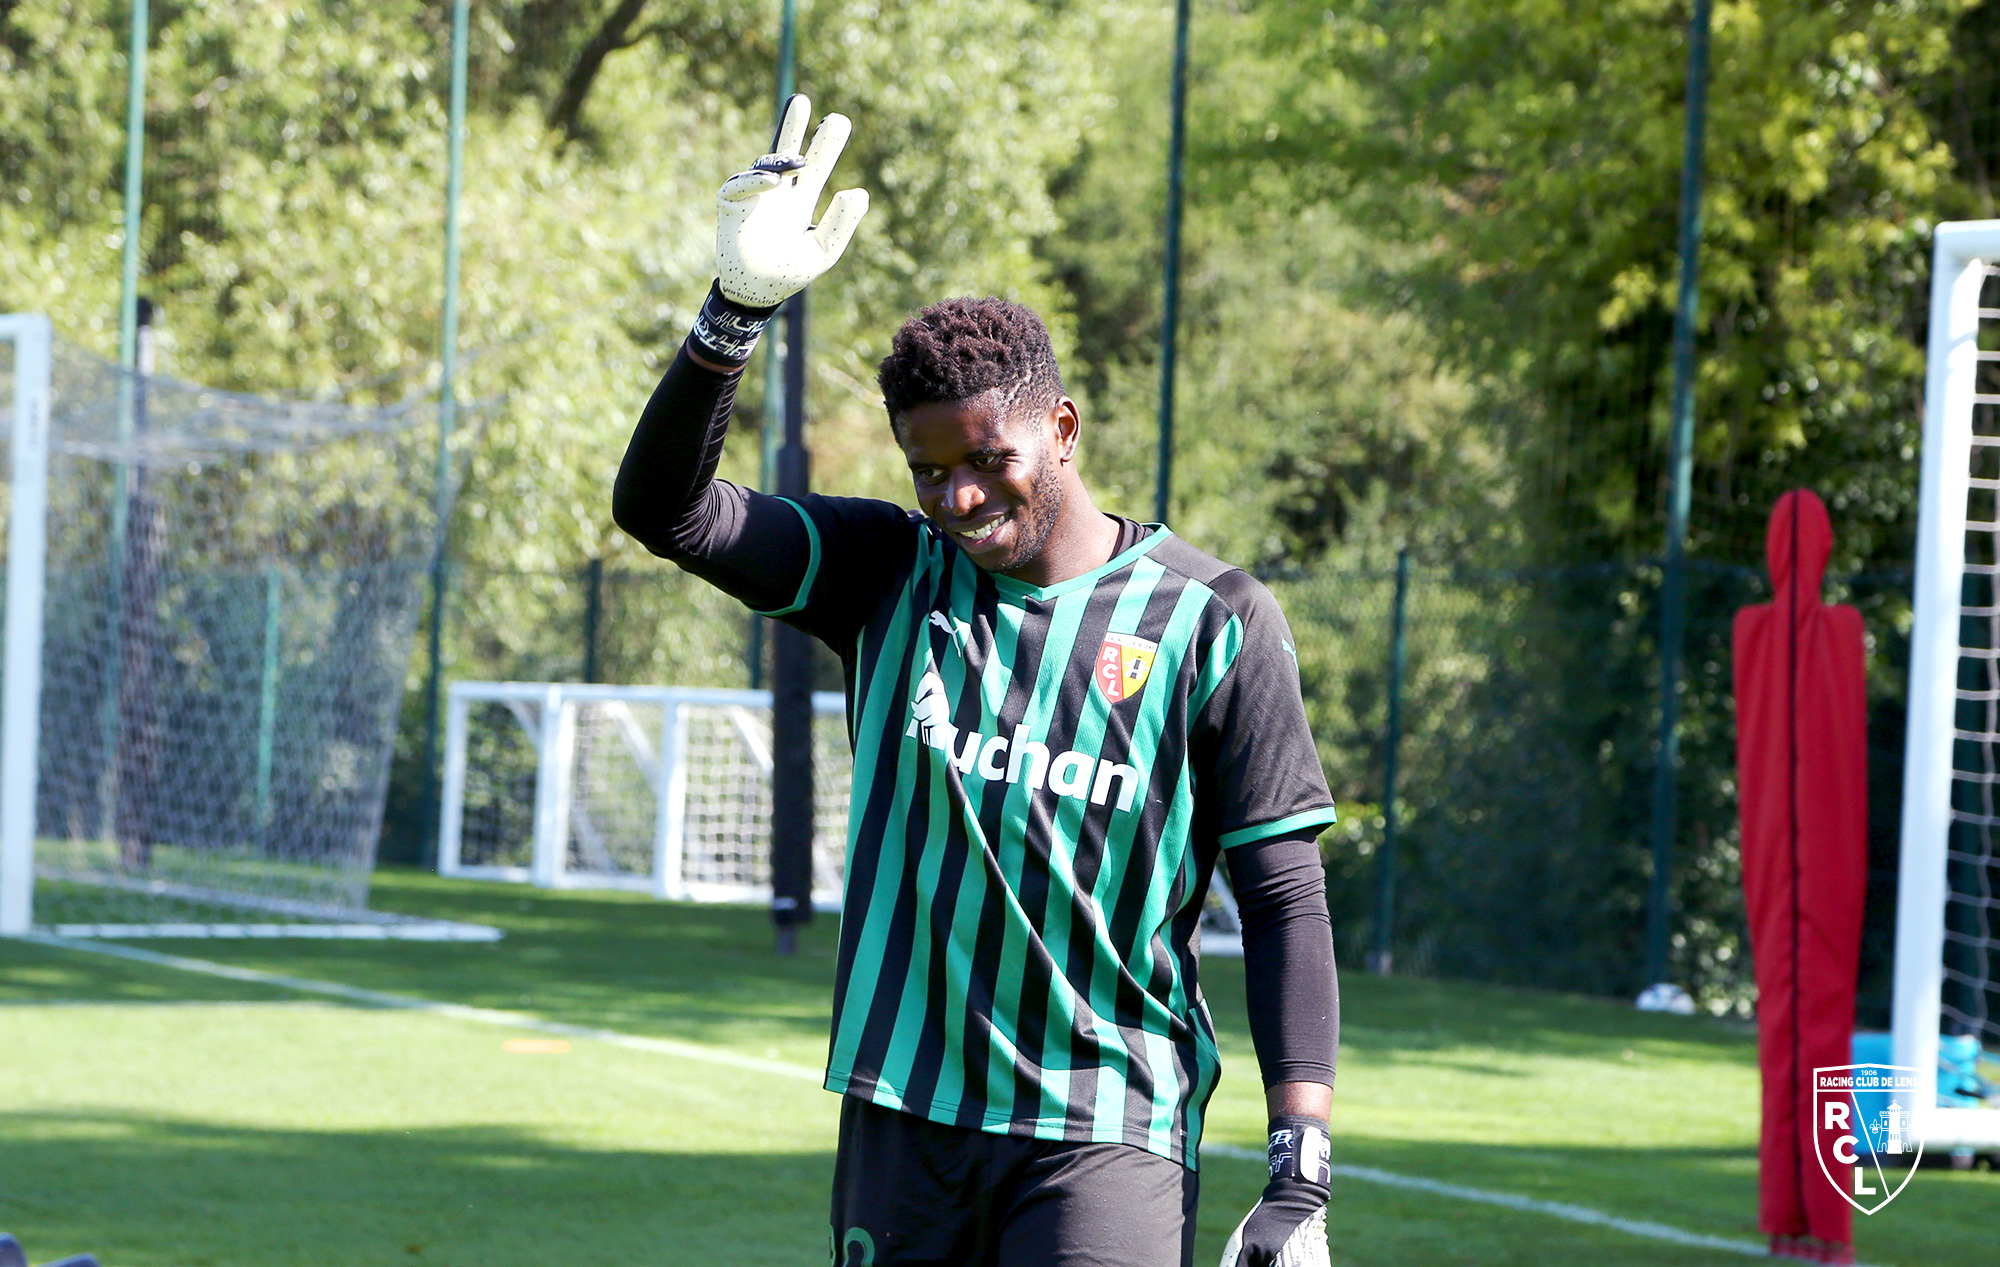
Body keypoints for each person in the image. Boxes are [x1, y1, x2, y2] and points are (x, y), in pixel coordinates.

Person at [614, 96, 1340, 1267]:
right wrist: (730, 318)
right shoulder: (884, 574)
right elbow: (668, 511)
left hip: (1106, 1123)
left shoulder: (1214, 621)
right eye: (928, 470)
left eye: (985, 460)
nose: (955, 497)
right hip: (904, 1115)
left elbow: (1281, 898)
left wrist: (1297, 1178)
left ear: (1059, 427)